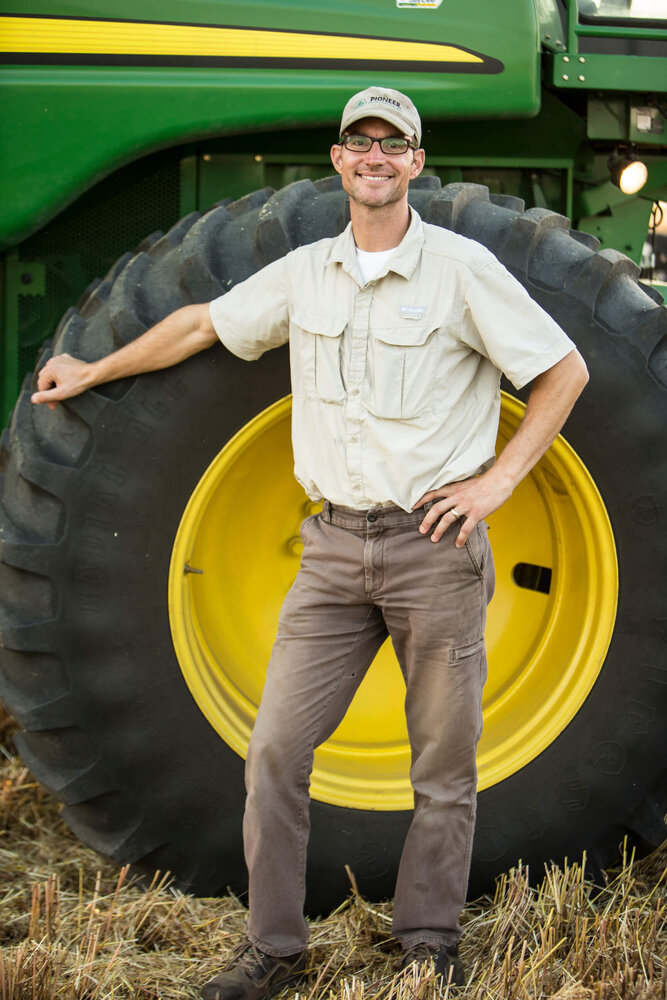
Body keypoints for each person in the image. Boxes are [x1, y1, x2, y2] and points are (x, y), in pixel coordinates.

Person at [32, 86, 589, 999]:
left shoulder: (460, 269)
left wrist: (495, 484)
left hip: (431, 552)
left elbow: (562, 369)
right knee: (275, 755)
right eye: (358, 142)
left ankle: (428, 943)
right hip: (330, 551)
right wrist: (96, 366)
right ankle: (274, 948)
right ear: (337, 160)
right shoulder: (306, 273)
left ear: (415, 161)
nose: (374, 157)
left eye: (392, 144)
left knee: (441, 767)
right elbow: (201, 325)